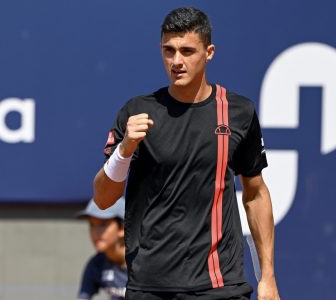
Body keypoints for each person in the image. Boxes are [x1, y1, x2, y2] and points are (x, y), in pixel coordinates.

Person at [92, 7, 280, 300]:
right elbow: (103, 199)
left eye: (187, 51)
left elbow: (255, 194)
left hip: (220, 286)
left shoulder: (238, 112)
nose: (176, 61)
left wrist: (266, 277)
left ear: (209, 52)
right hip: (150, 287)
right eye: (169, 50)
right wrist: (124, 150)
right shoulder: (136, 112)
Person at [77, 197, 127, 300]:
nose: (95, 232)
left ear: (122, 228)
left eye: (103, 224)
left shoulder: (145, 262)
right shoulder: (97, 264)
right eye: (92, 224)